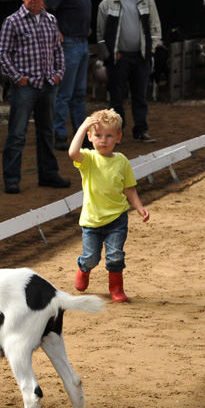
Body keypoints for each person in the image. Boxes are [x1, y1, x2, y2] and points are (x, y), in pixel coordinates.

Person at [0, 0, 70, 195]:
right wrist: (17, 78)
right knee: (17, 134)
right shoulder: (12, 21)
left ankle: (48, 175)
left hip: (48, 84)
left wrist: (58, 74)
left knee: (46, 132)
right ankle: (12, 178)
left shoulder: (51, 20)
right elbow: (1, 54)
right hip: (25, 87)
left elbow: (58, 50)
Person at [67, 109, 149, 302]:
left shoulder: (122, 162)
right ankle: (84, 268)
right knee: (91, 257)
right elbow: (72, 152)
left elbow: (129, 188)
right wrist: (84, 126)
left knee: (115, 255)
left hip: (117, 218)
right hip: (92, 220)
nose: (103, 140)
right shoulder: (88, 159)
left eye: (109, 136)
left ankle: (116, 288)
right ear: (89, 137)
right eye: (97, 135)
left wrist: (139, 207)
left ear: (118, 138)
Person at [96, 0, 162, 143]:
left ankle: (141, 131)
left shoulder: (146, 0)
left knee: (140, 96)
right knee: (116, 98)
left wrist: (151, 50)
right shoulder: (107, 4)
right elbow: (100, 34)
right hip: (118, 59)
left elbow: (155, 27)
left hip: (141, 58)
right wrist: (110, 55)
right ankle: (116, 133)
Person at [45, 0, 98, 150]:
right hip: (70, 45)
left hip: (82, 43)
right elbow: (44, 8)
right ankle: (60, 134)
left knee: (79, 93)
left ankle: (80, 133)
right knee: (66, 93)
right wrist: (56, 30)